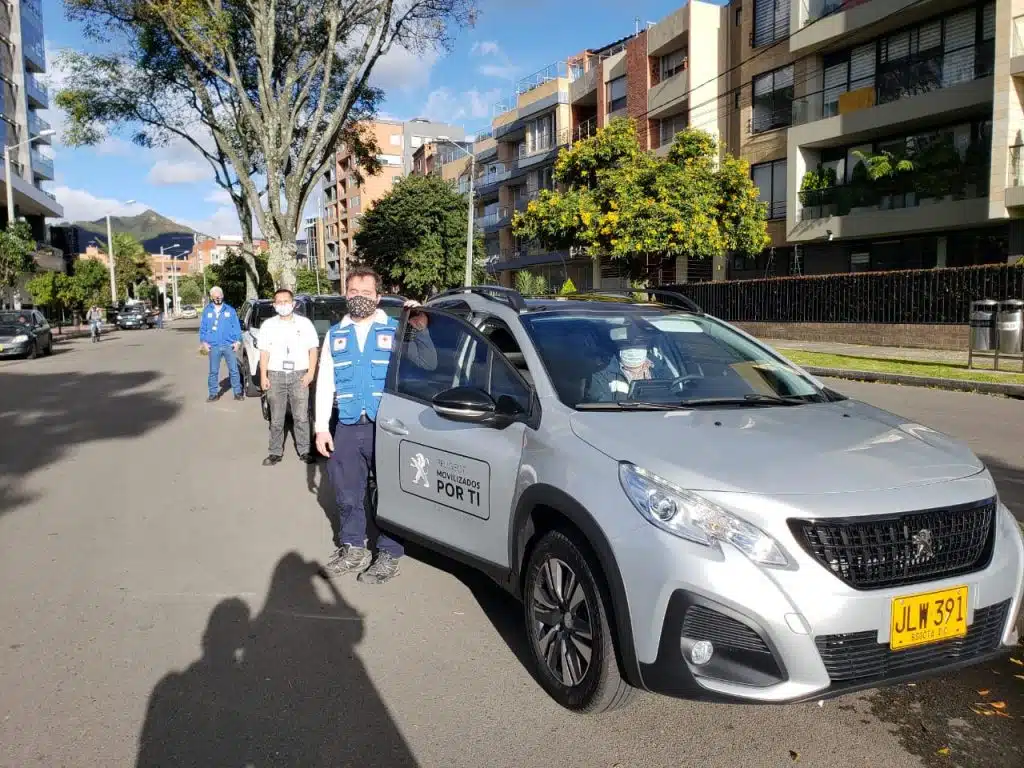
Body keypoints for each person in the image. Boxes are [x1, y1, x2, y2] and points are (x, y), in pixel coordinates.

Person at [314, 267, 435, 585]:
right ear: (346, 294)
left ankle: (389, 553)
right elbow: (325, 382)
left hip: (387, 426)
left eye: (366, 293)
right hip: (349, 424)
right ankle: (353, 548)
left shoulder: (395, 329)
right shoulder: (335, 335)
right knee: (346, 491)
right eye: (353, 291)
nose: (359, 298)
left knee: (389, 492)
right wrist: (321, 427)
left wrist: (420, 328)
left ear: (378, 297)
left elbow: (428, 364)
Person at [258, 288, 320, 466]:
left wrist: (310, 373)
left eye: (286, 301)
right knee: (276, 418)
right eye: (279, 302)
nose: (283, 305)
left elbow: (313, 350)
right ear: (274, 305)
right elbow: (264, 353)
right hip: (276, 375)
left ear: (293, 304)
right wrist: (264, 376)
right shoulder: (268, 325)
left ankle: (305, 450)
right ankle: (275, 452)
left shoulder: (305, 324)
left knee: (301, 416)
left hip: (299, 375)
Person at [588, 324, 672, 402]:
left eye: (639, 341)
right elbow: (601, 408)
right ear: (618, 345)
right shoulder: (603, 371)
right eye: (627, 343)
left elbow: (673, 394)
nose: (633, 347)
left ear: (647, 343)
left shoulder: (659, 366)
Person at [199, 286, 244, 402]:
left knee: (234, 370)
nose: (218, 297)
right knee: (213, 371)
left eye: (219, 295)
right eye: (215, 296)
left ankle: (238, 392)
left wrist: (238, 341)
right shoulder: (207, 311)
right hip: (214, 346)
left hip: (229, 345)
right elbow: (203, 328)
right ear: (211, 297)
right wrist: (204, 342)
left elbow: (236, 327)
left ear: (222, 296)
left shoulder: (230, 310)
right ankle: (213, 394)